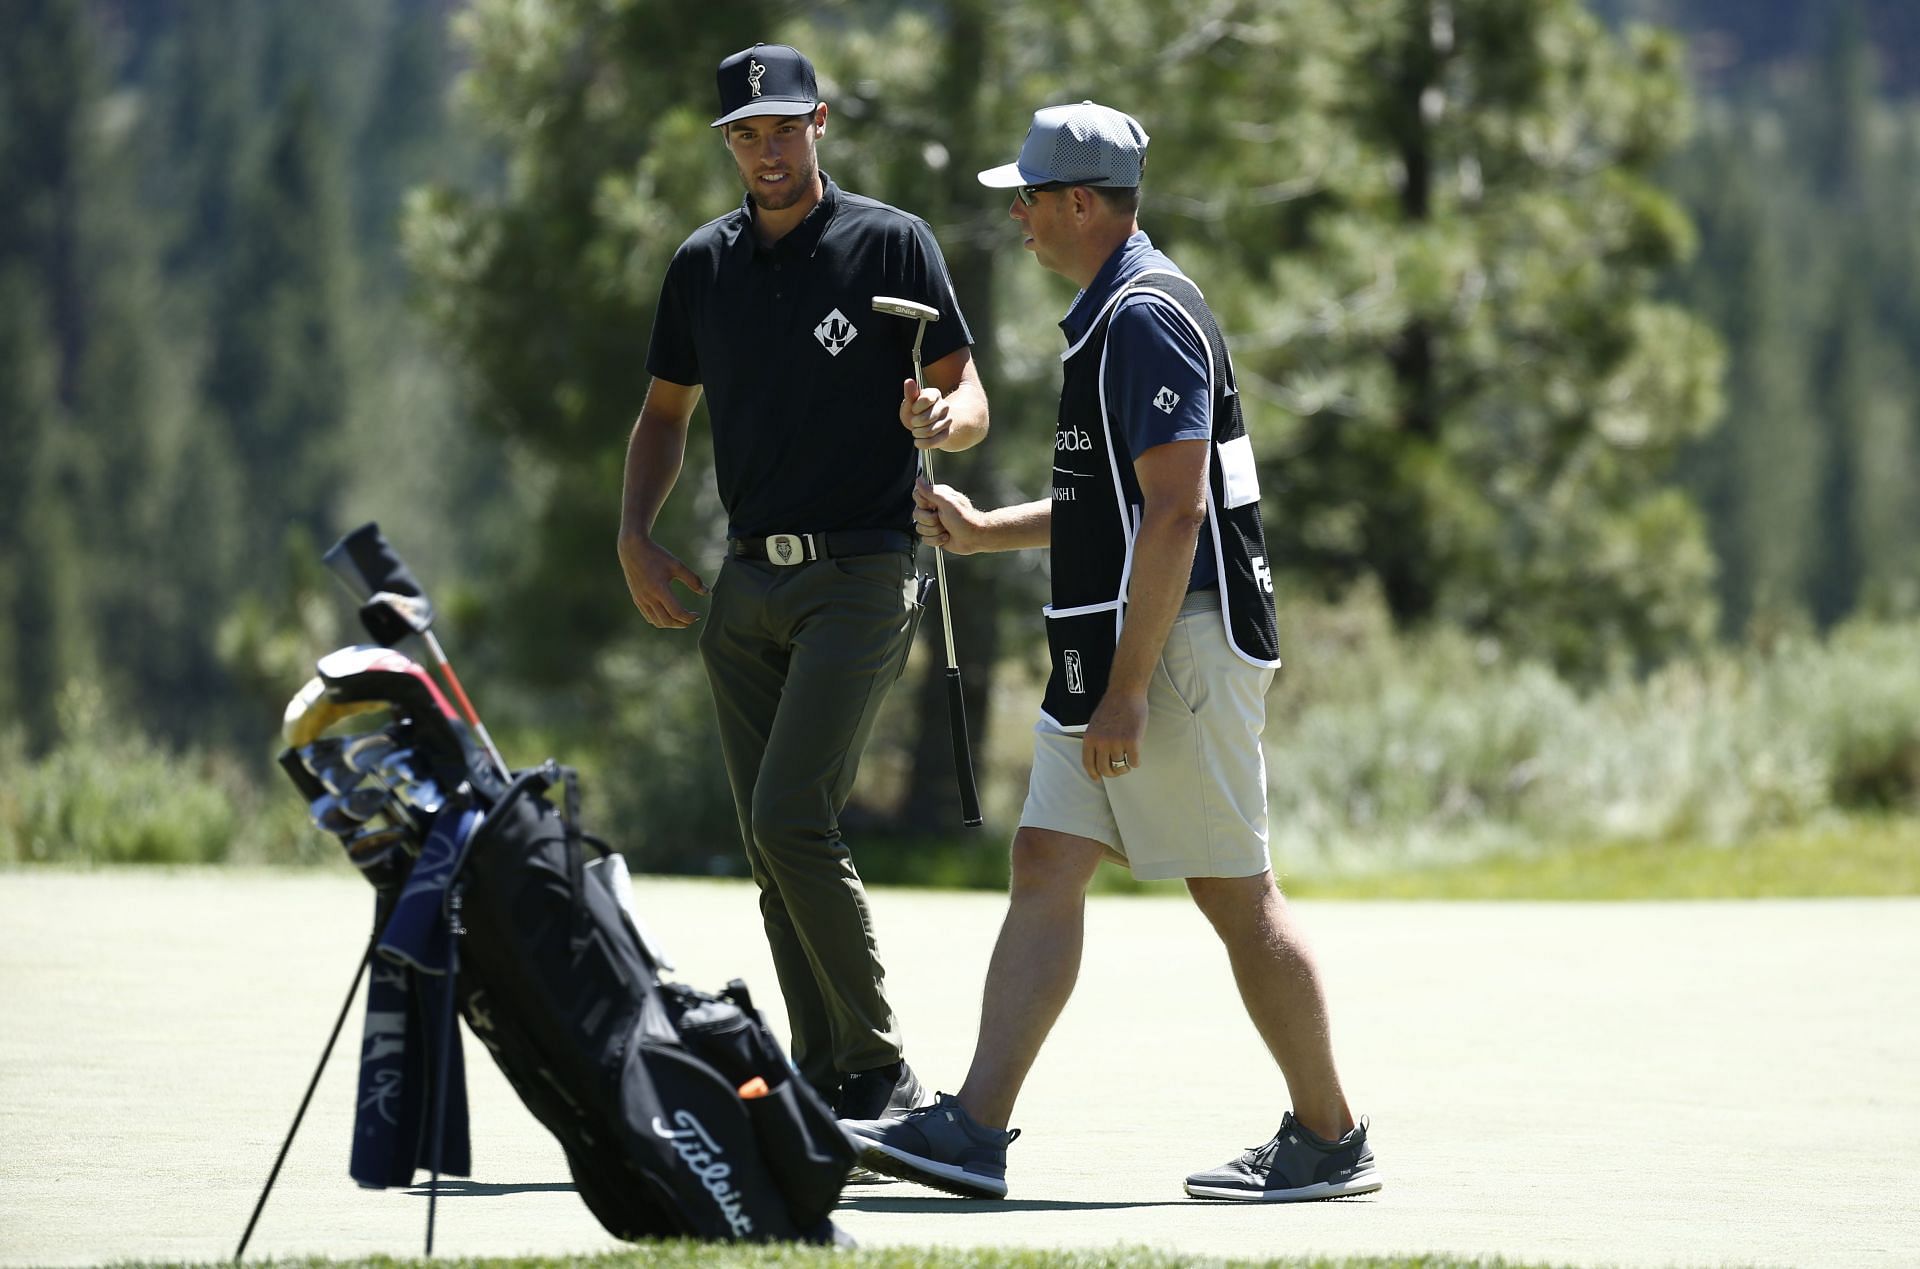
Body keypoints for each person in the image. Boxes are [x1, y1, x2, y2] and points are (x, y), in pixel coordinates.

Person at [840, 101, 1380, 1203]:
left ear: (1081, 202)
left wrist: (1130, 693)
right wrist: (992, 532)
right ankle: (974, 1130)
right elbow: (1118, 502)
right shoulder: (1109, 314)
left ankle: (1331, 1138)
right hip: (1113, 651)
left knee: (1236, 896)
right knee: (1046, 862)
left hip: (1172, 651)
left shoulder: (1143, 316)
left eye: (1032, 198)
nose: (1022, 218)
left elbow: (1177, 515)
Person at [616, 42, 989, 1123]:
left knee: (791, 818)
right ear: (727, 142)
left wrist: (943, 423)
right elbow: (662, 416)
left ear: (819, 123)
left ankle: (878, 1066)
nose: (766, 150)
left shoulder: (891, 243)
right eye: (746, 133)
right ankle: (826, 1074)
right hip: (744, 587)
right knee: (769, 845)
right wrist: (634, 534)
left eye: (784, 128)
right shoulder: (703, 265)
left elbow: (966, 394)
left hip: (865, 570)